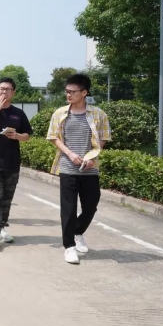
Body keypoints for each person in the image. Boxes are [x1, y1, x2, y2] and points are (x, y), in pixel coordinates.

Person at [47, 73, 111, 265]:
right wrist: (70, 154)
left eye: (72, 91)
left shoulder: (98, 114)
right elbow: (53, 137)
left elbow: (103, 137)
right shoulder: (60, 113)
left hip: (90, 168)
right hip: (68, 167)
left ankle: (78, 232)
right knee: (68, 208)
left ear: (84, 93)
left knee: (91, 205)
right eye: (67, 91)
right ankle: (69, 246)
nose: (68, 94)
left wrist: (93, 157)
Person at [0, 78, 33, 248]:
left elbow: (27, 135)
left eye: (7, 89)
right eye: (1, 88)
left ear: (13, 92)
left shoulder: (18, 113)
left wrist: (17, 136)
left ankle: (1, 228)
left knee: (6, 199)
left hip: (11, 162)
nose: (4, 91)